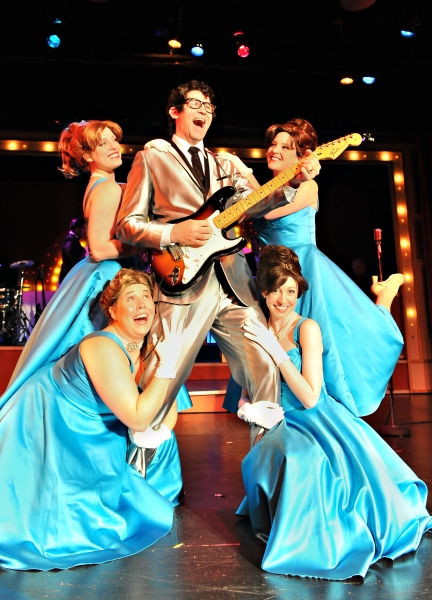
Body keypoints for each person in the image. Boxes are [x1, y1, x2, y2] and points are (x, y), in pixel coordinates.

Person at [115, 80, 321, 445]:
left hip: (235, 283)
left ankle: (269, 481)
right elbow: (127, 225)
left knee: (265, 366)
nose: (204, 111)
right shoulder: (152, 156)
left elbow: (257, 201)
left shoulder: (225, 162)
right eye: (195, 104)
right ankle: (145, 483)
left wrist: (291, 183)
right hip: (179, 279)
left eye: (210, 107)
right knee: (164, 377)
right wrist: (172, 234)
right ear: (175, 111)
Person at [236, 245, 432, 580]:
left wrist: (275, 352)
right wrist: (248, 411)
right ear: (264, 290)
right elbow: (242, 392)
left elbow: (312, 397)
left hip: (316, 419)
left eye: (291, 291)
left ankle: (316, 543)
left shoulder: (306, 328)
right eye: (276, 290)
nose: (283, 300)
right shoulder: (253, 329)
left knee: (307, 460)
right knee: (281, 454)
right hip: (277, 422)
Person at [0, 119, 191, 418]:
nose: (114, 147)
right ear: (88, 155)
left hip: (113, 271)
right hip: (110, 275)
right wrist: (147, 243)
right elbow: (100, 248)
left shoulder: (107, 185)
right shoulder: (105, 190)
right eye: (104, 143)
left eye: (114, 140)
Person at [0, 269, 185, 571]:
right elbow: (139, 418)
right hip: (48, 418)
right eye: (131, 298)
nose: (142, 304)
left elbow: (166, 411)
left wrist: (163, 372)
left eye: (146, 297)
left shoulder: (149, 345)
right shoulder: (102, 346)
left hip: (90, 426)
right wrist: (168, 366)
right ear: (113, 310)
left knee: (164, 444)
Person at [226, 118, 404, 418]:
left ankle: (384, 297)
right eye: (272, 144)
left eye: (286, 146)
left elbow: (267, 211)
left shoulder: (308, 187)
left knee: (337, 335)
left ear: (301, 157)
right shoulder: (262, 190)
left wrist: (244, 174)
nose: (274, 150)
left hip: (302, 268)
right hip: (270, 273)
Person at [59, 217, 87, 283]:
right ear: (78, 228)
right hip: (70, 278)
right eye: (84, 228)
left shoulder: (72, 240)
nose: (84, 231)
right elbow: (71, 259)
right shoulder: (70, 241)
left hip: (71, 276)